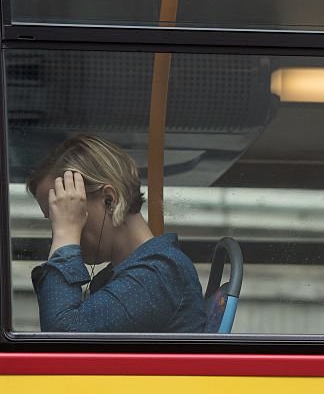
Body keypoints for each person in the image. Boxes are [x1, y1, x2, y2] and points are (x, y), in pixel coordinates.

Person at [26, 134, 207, 333]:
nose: (61, 230)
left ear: (109, 200)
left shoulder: (158, 274)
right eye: (58, 221)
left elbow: (61, 339)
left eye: (68, 214)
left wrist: (66, 235)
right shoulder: (134, 274)